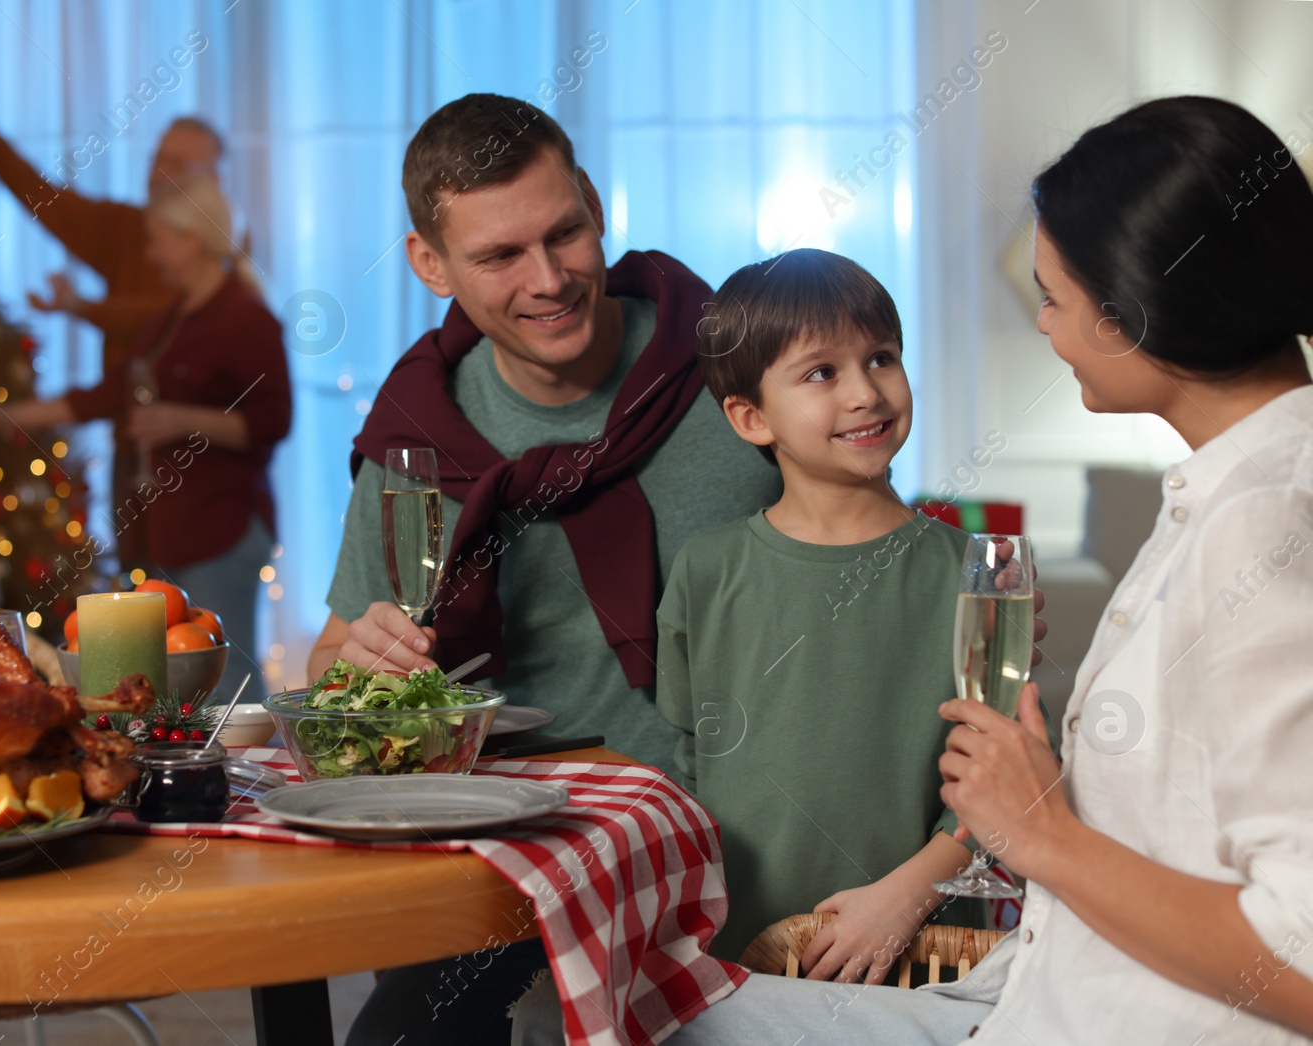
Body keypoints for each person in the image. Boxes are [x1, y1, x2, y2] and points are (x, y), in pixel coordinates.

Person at [515, 94, 1313, 1045]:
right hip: (1029, 988)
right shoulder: (1225, 499)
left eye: (1052, 297)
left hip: (1089, 1012)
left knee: (593, 1020)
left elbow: (1296, 956)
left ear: (1133, 307)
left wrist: (1040, 835)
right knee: (583, 1012)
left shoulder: (1263, 526)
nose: (1048, 331)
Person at [323, 93, 780, 1046]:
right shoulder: (416, 435)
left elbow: (869, 539)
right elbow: (338, 662)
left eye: (565, 232)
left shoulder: (737, 364)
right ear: (430, 265)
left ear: (596, 205)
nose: (551, 278)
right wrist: (354, 668)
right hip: (505, 847)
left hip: (739, 832)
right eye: (499, 256)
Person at [657, 249, 988, 968]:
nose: (866, 392)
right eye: (821, 373)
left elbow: (1010, 783)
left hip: (921, 957)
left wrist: (906, 896)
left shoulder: (973, 574)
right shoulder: (705, 572)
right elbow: (687, 763)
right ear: (750, 418)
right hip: (737, 952)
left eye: (881, 358)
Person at [5, 179, 290, 705]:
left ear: (192, 241)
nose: (150, 253)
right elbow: (113, 392)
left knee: (227, 681)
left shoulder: (245, 318)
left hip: (219, 529)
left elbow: (273, 420)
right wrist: (15, 415)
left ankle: (250, 786)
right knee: (178, 682)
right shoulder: (172, 316)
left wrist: (184, 419)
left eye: (157, 239)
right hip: (168, 527)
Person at [0, 80, 229, 566]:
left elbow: (169, 323)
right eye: (156, 159)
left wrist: (83, 310)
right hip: (133, 455)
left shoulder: (226, 272)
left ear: (215, 183)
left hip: (206, 479)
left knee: (196, 621)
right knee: (142, 599)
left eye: (178, 165)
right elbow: (48, 202)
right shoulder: (130, 231)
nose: (160, 174)